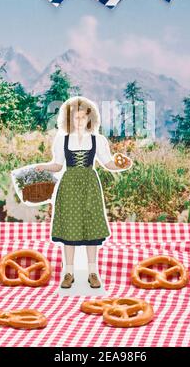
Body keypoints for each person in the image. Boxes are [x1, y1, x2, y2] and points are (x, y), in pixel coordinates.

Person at [36, 96, 132, 289]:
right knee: (69, 228)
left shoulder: (98, 139)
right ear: (68, 118)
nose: (79, 121)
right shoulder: (62, 139)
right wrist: (42, 167)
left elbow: (108, 163)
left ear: (90, 118)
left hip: (89, 185)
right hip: (69, 184)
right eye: (75, 117)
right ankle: (68, 272)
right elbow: (57, 165)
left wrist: (123, 165)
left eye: (82, 117)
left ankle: (92, 272)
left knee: (91, 228)